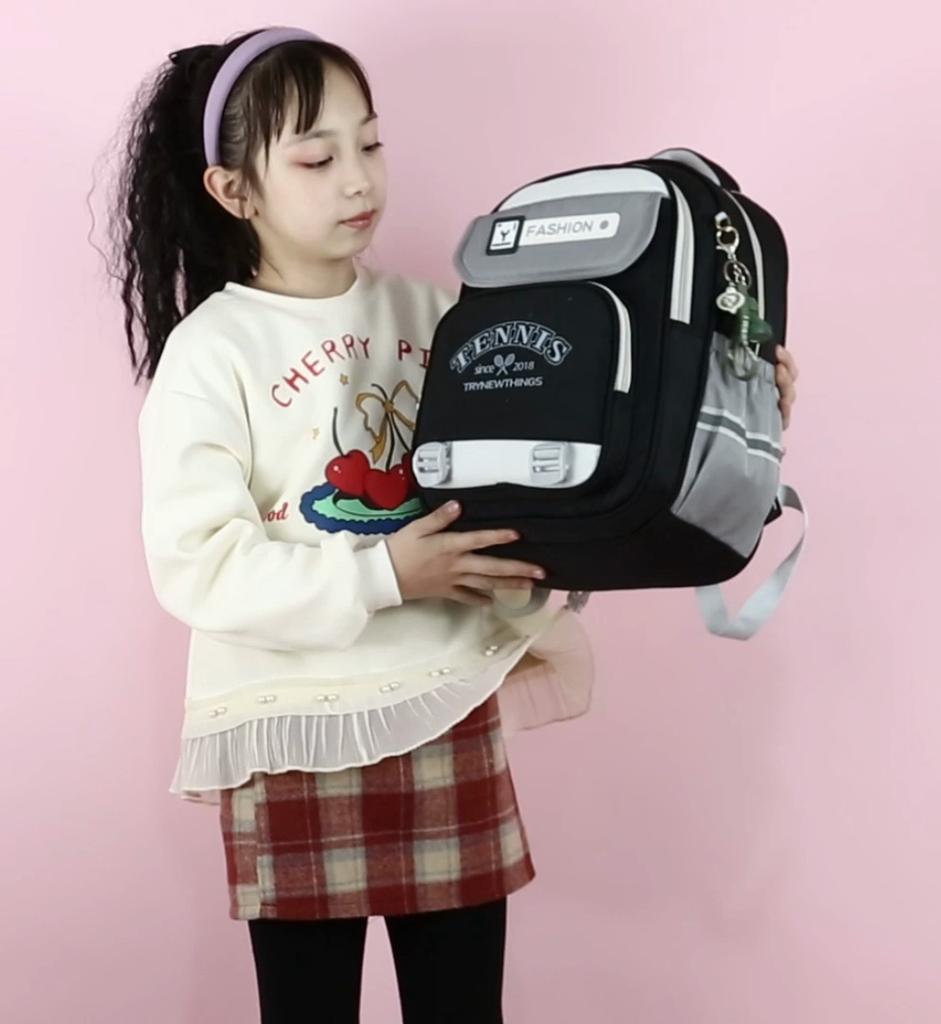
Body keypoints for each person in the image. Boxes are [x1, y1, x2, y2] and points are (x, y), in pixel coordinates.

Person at [106, 24, 799, 1024]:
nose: (359, 178)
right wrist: (385, 574)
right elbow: (198, 566)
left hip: (440, 702)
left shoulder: (443, 316)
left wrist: (739, 400)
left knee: (464, 1007)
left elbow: (556, 476)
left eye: (370, 143)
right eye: (317, 158)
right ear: (234, 190)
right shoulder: (211, 352)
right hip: (292, 726)